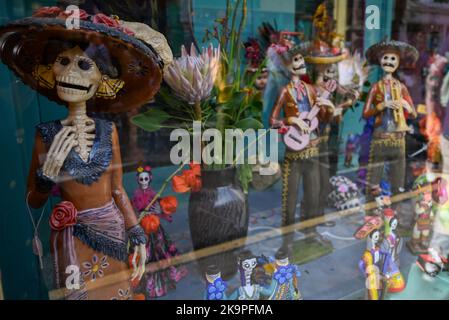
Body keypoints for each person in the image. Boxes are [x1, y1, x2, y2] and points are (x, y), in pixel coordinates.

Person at [0, 7, 172, 299]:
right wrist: (45, 177)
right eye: (63, 62)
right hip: (73, 237)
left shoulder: (108, 131)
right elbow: (33, 200)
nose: (70, 72)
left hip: (111, 232)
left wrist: (137, 234)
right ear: (49, 72)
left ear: (102, 82)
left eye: (84, 65)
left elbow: (117, 189)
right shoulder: (46, 134)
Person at [269, 45, 335, 248]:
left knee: (313, 193)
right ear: (288, 66)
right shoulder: (285, 91)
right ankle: (287, 241)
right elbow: (273, 121)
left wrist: (328, 105)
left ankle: (311, 232)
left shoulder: (311, 90)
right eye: (297, 60)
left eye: (302, 60)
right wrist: (292, 121)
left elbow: (320, 117)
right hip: (294, 151)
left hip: (313, 149)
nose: (302, 63)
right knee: (290, 196)